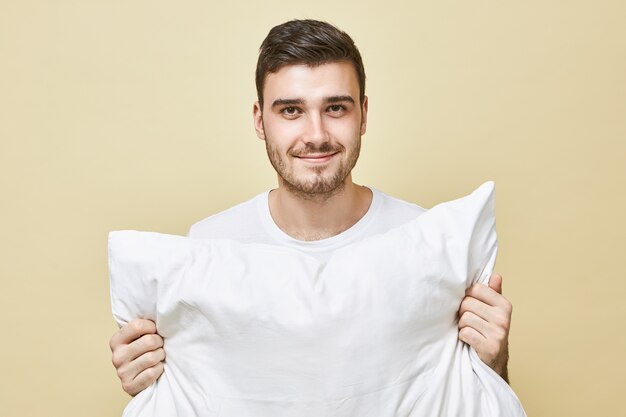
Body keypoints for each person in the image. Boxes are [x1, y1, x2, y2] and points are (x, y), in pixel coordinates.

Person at [109, 19, 513, 397]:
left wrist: (495, 360)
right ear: (259, 120)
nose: (316, 135)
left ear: (364, 114)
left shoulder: (425, 244)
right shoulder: (210, 246)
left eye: (336, 108)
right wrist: (148, 380)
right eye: (291, 111)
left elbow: (464, 398)